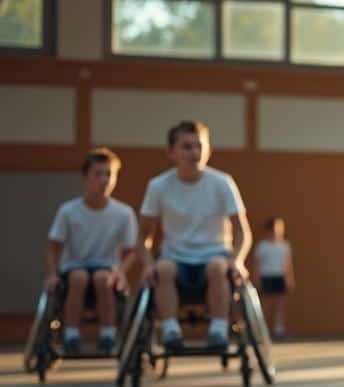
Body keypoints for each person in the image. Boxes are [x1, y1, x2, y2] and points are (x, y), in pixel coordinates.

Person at [137, 121, 252, 352]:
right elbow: (143, 236)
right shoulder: (158, 186)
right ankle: (170, 330)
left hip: (215, 253)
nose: (195, 153)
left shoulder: (222, 182)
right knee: (163, 270)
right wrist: (148, 264)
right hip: (176, 257)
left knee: (218, 267)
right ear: (172, 152)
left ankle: (218, 330)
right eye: (187, 147)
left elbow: (242, 231)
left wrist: (237, 260)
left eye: (200, 146)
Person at [43, 148, 138, 355]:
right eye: (98, 174)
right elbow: (53, 247)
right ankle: (71, 335)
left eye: (109, 174)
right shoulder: (68, 211)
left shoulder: (124, 213)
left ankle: (107, 334)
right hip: (74, 268)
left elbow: (131, 251)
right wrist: (51, 275)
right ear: (85, 178)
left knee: (103, 278)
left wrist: (120, 272)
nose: (104, 180)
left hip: (106, 270)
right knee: (79, 277)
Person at [251, 217, 294, 339]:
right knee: (265, 305)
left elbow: (288, 264)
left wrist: (289, 279)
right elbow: (257, 264)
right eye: (276, 228)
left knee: (280, 305)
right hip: (266, 277)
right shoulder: (262, 246)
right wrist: (257, 280)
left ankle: (278, 330)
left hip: (280, 277)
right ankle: (261, 331)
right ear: (269, 229)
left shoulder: (285, 246)